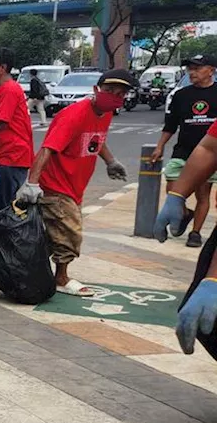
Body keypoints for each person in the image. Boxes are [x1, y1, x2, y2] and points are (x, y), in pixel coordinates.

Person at [16, 69, 134, 296]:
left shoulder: (105, 113)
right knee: (71, 232)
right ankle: (61, 277)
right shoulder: (74, 114)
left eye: (120, 94)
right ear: (96, 90)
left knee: (57, 232)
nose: (114, 97)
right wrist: (32, 183)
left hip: (74, 185)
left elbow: (95, 138)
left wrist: (110, 161)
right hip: (55, 185)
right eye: (109, 91)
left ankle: (42, 272)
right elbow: (48, 148)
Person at [148, 55, 217, 247]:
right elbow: (170, 125)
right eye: (190, 69)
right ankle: (185, 213)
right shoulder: (181, 95)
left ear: (211, 70)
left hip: (209, 155)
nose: (192, 73)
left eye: (197, 68)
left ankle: (195, 232)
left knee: (203, 194)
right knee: (173, 187)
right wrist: (160, 146)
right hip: (183, 151)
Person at [0, 48, 34, 214]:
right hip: (8, 158)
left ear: (2, 68)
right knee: (1, 208)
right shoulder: (4, 89)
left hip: (11, 159)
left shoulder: (9, 90)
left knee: (0, 211)